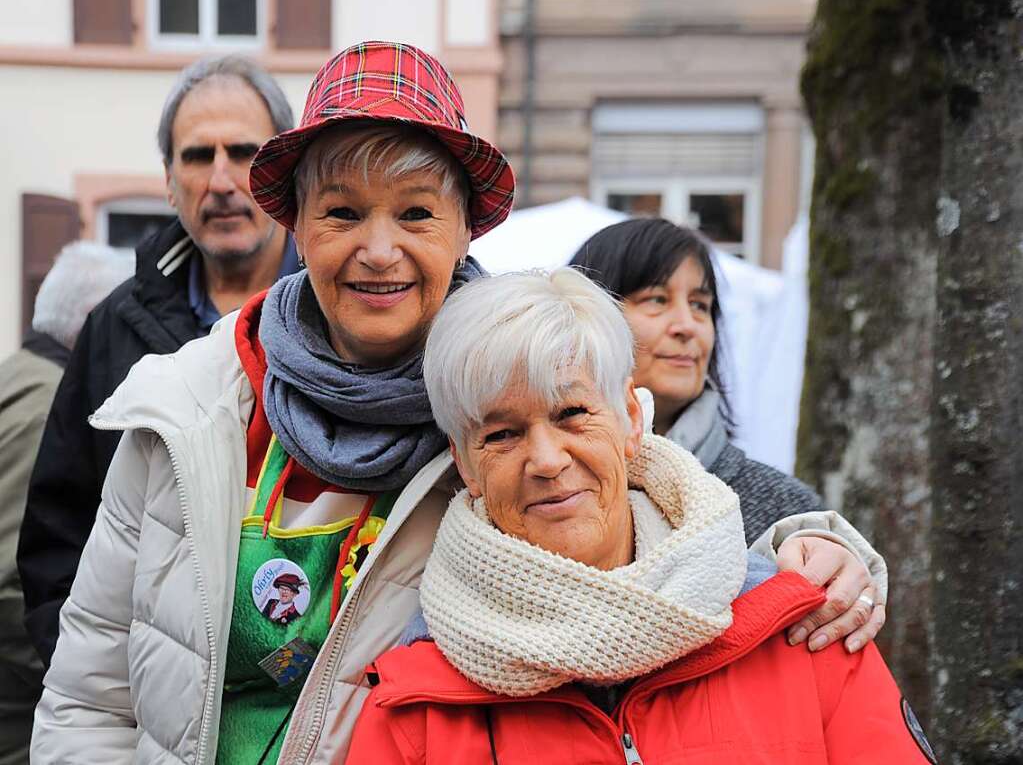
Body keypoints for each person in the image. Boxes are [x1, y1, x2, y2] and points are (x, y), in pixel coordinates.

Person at [34, 42, 883, 764]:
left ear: (464, 229)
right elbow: (87, 698)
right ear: (296, 222)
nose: (378, 249)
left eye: (414, 212)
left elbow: (660, 492)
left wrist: (809, 539)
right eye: (340, 212)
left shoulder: (510, 392)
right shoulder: (187, 405)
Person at [345, 268, 935, 764]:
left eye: (573, 413)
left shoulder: (803, 629)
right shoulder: (414, 702)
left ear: (631, 417)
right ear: (465, 465)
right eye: (502, 434)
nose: (547, 460)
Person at [18, 55, 299, 665]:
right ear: (170, 181)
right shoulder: (112, 328)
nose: (222, 180)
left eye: (245, 152)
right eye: (198, 156)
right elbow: (58, 536)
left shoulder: (345, 315)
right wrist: (93, 691)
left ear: (283, 174)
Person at [569, 218, 886, 654]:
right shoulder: (547, 486)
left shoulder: (785, 510)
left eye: (701, 305)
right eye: (657, 300)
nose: (687, 326)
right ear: (589, 319)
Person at [0, 242, 132, 765]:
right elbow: (14, 581)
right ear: (88, 323)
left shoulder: (18, 373)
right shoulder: (46, 404)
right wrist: (85, 684)